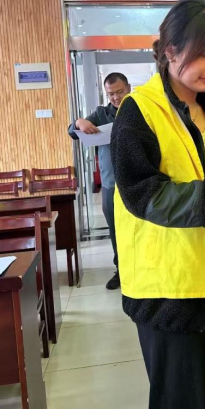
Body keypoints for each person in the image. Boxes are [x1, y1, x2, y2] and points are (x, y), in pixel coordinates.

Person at [111, 0, 205, 409]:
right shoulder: (138, 111)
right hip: (169, 288)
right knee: (180, 399)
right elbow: (145, 195)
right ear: (171, 50)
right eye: (204, 53)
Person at [68, 73, 131, 290]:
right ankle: (121, 271)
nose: (115, 97)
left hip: (137, 180)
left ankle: (144, 270)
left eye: (119, 92)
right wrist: (79, 122)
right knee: (115, 229)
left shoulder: (140, 109)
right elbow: (72, 131)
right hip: (111, 183)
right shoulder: (101, 114)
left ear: (129, 88)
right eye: (111, 94)